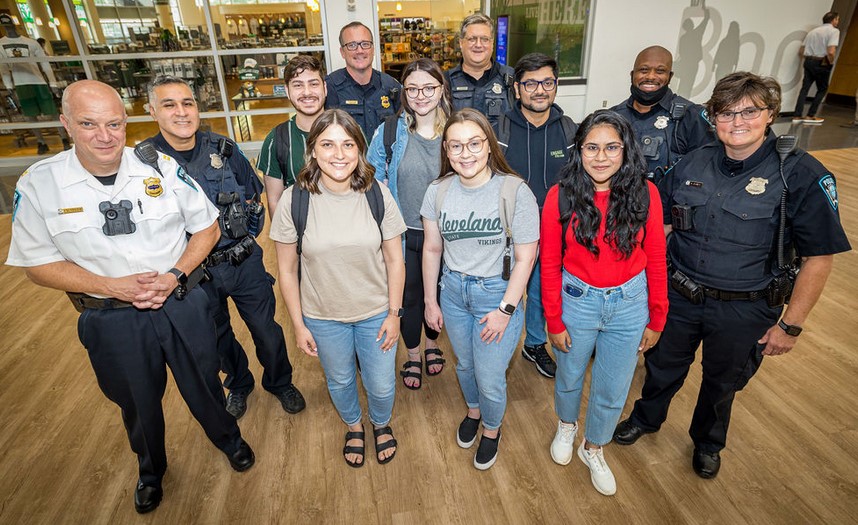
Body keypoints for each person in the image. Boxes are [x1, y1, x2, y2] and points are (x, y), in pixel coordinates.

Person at [5, 80, 255, 514]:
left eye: (114, 124)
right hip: (111, 318)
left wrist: (176, 273)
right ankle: (151, 471)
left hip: (180, 300)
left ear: (125, 122)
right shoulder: (41, 184)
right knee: (136, 402)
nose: (105, 136)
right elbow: (37, 265)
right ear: (66, 124)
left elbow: (207, 227)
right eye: (89, 124)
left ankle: (230, 441)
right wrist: (110, 286)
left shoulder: (158, 166)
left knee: (205, 381)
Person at [614, 72, 851, 479]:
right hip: (680, 296)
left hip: (746, 308)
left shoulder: (802, 175)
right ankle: (647, 418)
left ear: (771, 114)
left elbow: (819, 258)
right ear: (712, 118)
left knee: (723, 382)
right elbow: (662, 225)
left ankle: (707, 442)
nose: (737, 121)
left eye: (749, 111)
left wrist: (790, 327)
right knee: (662, 366)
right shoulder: (693, 161)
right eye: (725, 113)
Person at [146, 76, 306, 420]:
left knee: (267, 329)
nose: (181, 112)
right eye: (169, 105)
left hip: (243, 261)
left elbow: (252, 193)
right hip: (194, 272)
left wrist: (246, 237)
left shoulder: (222, 148)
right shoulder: (144, 164)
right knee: (217, 336)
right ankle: (239, 382)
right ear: (151, 111)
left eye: (187, 103)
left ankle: (280, 382)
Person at [541, 110, 667, 496]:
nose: (600, 156)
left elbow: (658, 257)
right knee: (569, 374)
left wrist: (657, 317)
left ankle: (593, 447)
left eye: (611, 147)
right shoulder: (560, 194)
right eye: (591, 147)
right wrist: (554, 319)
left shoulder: (647, 193)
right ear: (578, 151)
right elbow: (549, 262)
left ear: (626, 151)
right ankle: (567, 425)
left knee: (613, 386)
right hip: (577, 301)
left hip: (630, 305)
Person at [270, 109, 406, 467]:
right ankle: (354, 426)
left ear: (359, 150)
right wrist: (298, 325)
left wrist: (395, 314)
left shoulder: (377, 194)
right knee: (341, 380)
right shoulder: (294, 200)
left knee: (380, 384)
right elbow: (286, 269)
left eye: (348, 144)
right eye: (328, 144)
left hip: (376, 313)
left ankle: (380, 423)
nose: (339, 154)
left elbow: (395, 260)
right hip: (323, 317)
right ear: (313, 150)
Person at [422, 108, 539, 470]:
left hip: (497, 294)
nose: (465, 153)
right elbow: (432, 248)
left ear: (489, 146)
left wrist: (506, 310)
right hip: (453, 292)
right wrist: (430, 301)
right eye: (455, 146)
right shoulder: (437, 191)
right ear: (446, 149)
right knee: (466, 366)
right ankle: (473, 412)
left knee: (489, 377)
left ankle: (491, 429)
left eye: (474, 143)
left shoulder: (514, 190)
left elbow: (526, 257)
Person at [366, 58, 451, 390]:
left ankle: (433, 345)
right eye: (412, 89)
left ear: (441, 89)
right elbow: (372, 178)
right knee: (410, 294)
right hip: (403, 233)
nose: (420, 95)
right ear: (404, 93)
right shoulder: (389, 131)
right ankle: (414, 354)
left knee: (440, 293)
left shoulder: (457, 130)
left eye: (428, 87)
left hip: (446, 234)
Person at [494, 52, 577, 379]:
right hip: (508, 231)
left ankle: (535, 343)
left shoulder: (570, 130)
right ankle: (497, 344)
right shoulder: (499, 130)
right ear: (517, 89)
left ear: (555, 86)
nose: (539, 90)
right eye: (530, 83)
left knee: (543, 290)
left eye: (547, 82)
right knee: (504, 290)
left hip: (554, 229)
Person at [610, 45, 713, 184]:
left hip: (667, 202)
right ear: (632, 75)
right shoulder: (613, 116)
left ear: (669, 77)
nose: (651, 76)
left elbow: (706, 169)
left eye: (660, 71)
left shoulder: (690, 116)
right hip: (618, 200)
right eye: (644, 70)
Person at [258, 54, 327, 217]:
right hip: (300, 236)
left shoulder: (348, 131)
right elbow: (274, 200)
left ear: (325, 88)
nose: (307, 92)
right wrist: (284, 241)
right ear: (287, 91)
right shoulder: (276, 140)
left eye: (313, 84)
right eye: (298, 85)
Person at [0, 12, 70, 154]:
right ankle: (41, 141)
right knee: (30, 115)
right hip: (20, 84)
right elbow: (4, 68)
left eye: (10, 24)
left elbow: (45, 64)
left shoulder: (31, 43)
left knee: (52, 111)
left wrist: (53, 83)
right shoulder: (1, 45)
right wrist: (9, 87)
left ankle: (64, 138)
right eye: (5, 25)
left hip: (38, 81)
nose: (9, 28)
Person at [325, 22, 401, 139]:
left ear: (373, 49)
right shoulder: (330, 87)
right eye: (352, 45)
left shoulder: (391, 86)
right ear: (342, 52)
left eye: (365, 44)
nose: (359, 50)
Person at [445, 13, 515, 126]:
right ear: (461, 43)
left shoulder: (510, 79)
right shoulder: (445, 81)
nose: (478, 45)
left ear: (492, 43)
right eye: (472, 39)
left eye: (484, 39)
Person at [793, 11, 841, 124]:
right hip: (822, 62)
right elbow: (831, 51)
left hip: (809, 60)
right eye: (837, 19)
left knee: (805, 88)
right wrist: (831, 62)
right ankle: (810, 115)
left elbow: (801, 50)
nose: (838, 22)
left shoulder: (812, 32)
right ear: (833, 20)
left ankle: (797, 115)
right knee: (822, 89)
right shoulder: (834, 31)